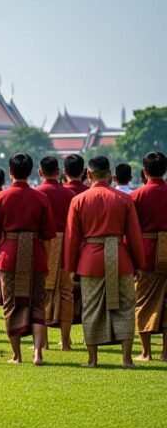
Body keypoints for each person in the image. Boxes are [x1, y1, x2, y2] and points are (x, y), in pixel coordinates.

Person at [65, 156, 144, 369]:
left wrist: (70, 268)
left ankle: (92, 360)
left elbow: (72, 238)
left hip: (90, 261)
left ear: (88, 175)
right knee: (126, 307)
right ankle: (126, 360)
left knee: (90, 308)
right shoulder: (124, 199)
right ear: (109, 174)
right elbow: (134, 236)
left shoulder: (78, 200)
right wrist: (138, 264)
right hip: (120, 258)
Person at [0, 153, 55, 365]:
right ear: (32, 172)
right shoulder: (41, 198)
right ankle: (37, 353)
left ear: (10, 172)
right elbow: (47, 238)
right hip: (35, 254)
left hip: (9, 255)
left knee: (11, 305)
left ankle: (17, 355)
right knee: (37, 304)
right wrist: (46, 260)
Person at [35, 156, 77, 351]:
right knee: (67, 293)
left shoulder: (37, 194)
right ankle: (66, 342)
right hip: (67, 247)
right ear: (59, 172)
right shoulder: (69, 195)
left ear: (40, 172)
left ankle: (43, 343)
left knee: (41, 293)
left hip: (44, 246)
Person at [130, 152, 167, 362]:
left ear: (144, 171)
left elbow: (130, 231)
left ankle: (146, 352)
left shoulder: (136, 197)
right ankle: (165, 352)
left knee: (142, 301)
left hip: (145, 252)